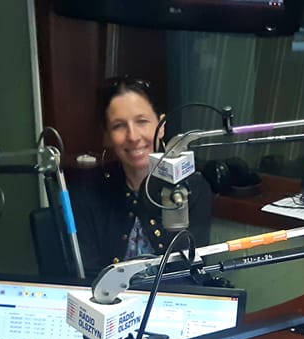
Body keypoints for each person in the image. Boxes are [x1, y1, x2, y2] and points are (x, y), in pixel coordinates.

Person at [68, 76, 213, 274]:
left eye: (142, 121)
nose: (133, 136)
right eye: (119, 126)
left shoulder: (193, 187)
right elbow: (87, 275)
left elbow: (189, 270)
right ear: (107, 135)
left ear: (161, 126)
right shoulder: (86, 192)